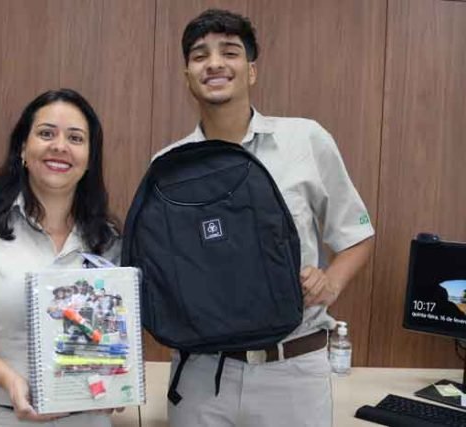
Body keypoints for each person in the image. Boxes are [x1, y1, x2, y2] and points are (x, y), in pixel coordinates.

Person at [154, 9, 375, 427]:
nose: (214, 63)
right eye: (200, 55)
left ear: (251, 70)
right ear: (187, 76)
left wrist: (331, 282)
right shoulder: (168, 165)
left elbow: (357, 236)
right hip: (200, 375)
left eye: (229, 52)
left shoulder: (305, 139)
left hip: (293, 371)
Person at [0, 89, 121, 426]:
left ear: (89, 159)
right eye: (46, 133)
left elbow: (112, 333)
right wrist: (7, 378)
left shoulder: (109, 240)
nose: (60, 146)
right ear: (23, 149)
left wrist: (116, 378)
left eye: (75, 138)